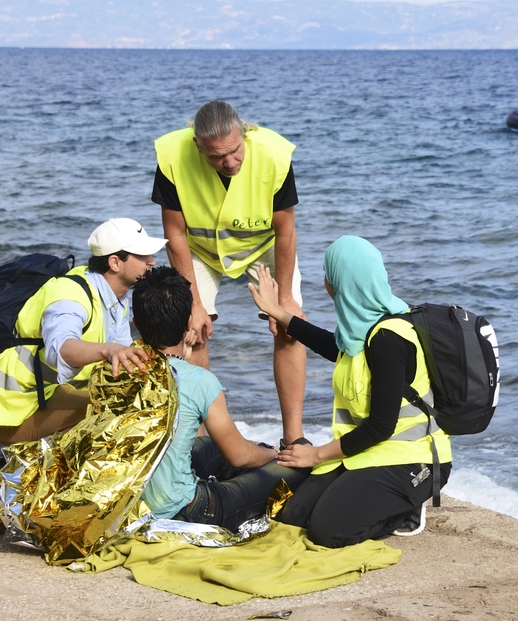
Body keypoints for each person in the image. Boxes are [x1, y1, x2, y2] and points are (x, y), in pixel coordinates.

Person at [248, 237, 452, 548]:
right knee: (292, 515)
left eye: (327, 273)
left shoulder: (389, 339)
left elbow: (381, 426)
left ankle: (406, 509)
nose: (325, 280)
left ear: (340, 282)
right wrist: (277, 312)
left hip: (413, 460)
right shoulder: (360, 331)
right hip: (370, 450)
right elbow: (331, 345)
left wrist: (315, 455)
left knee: (328, 531)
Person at [152, 100, 308, 448]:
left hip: (261, 246)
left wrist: (283, 301)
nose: (229, 162)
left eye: (235, 151)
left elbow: (286, 231)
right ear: (197, 146)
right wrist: (193, 305)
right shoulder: (172, 157)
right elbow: (174, 235)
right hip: (201, 249)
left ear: (244, 134)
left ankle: (294, 438)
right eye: (216, 157)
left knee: (290, 327)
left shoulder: (273, 154)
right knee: (191, 330)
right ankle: (199, 437)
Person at [133, 266, 309, 532]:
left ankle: (261, 459)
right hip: (186, 511)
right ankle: (275, 459)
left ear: (136, 324)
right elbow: (238, 456)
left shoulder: (117, 370)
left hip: (134, 503)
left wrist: (182, 356)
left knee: (210, 446)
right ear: (187, 324)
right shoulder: (199, 381)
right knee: (291, 465)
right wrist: (273, 454)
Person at [0, 219, 165, 445]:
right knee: (114, 410)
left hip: (56, 396)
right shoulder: (70, 294)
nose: (152, 262)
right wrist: (109, 350)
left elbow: (122, 364)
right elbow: (61, 348)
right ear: (115, 262)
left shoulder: (119, 299)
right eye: (143, 256)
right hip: (20, 413)